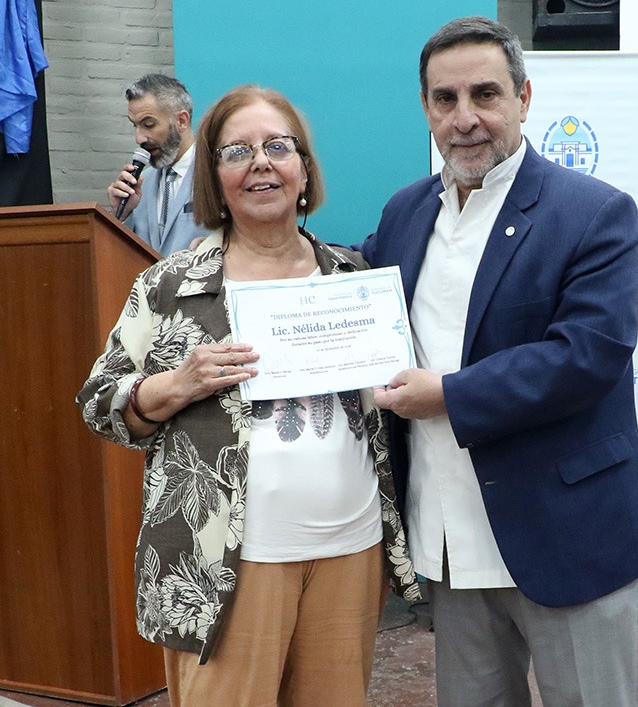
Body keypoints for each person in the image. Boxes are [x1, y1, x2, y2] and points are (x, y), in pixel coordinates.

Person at [78, 84, 420, 707]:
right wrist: (173, 385)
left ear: (304, 170)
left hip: (351, 549)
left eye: (278, 147)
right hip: (223, 564)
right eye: (237, 152)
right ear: (214, 177)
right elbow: (98, 403)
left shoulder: (352, 277)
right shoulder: (171, 285)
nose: (261, 163)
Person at [360, 16, 638, 706]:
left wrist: (448, 394)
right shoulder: (406, 211)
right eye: (445, 99)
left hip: (565, 533)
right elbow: (354, 295)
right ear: (426, 108)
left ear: (523, 98)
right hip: (449, 534)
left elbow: (588, 356)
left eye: (485, 95)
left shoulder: (594, 212)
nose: (464, 118)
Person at [105, 73, 209, 256]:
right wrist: (122, 214)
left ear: (181, 121)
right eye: (135, 126)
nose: (139, 138)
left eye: (149, 125)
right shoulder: (141, 183)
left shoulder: (217, 174)